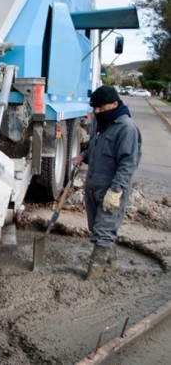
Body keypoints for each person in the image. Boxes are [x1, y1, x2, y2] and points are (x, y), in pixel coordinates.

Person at [72, 85, 142, 280]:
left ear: (114, 104)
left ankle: (92, 276)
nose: (96, 111)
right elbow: (96, 149)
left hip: (112, 189)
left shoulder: (126, 128)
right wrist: (83, 156)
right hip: (94, 185)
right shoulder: (101, 124)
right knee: (96, 228)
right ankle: (111, 264)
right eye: (94, 107)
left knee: (103, 231)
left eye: (101, 107)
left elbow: (128, 163)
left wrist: (116, 189)